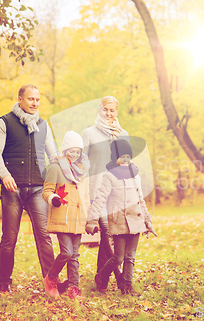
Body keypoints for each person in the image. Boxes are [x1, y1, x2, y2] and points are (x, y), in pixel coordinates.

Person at [0, 84, 56, 293]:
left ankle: (51, 282)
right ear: (20, 99)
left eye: (37, 99)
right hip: (13, 190)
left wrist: (61, 175)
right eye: (30, 99)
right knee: (9, 238)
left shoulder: (43, 125)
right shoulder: (5, 122)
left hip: (38, 188)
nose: (35, 103)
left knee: (44, 237)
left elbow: (53, 156)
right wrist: (5, 174)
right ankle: (4, 283)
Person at [85, 140, 157, 295]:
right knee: (118, 258)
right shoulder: (110, 176)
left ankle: (127, 287)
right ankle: (101, 276)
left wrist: (147, 219)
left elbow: (141, 200)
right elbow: (100, 199)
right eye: (122, 157)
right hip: (118, 223)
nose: (125, 160)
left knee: (130, 257)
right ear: (115, 157)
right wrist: (92, 220)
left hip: (135, 222)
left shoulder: (135, 177)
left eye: (128, 156)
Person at [81, 96, 129, 289]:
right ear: (99, 110)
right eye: (105, 109)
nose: (108, 113)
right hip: (96, 191)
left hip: (117, 193)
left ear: (116, 111)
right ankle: (120, 279)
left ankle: (101, 279)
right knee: (108, 233)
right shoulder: (89, 133)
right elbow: (81, 164)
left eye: (112, 110)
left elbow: (126, 163)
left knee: (110, 238)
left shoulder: (123, 133)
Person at [42, 131, 90, 300]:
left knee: (75, 256)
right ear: (64, 151)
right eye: (71, 151)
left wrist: (90, 218)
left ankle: (73, 289)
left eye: (78, 151)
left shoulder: (83, 171)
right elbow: (46, 191)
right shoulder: (55, 168)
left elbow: (86, 196)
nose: (75, 154)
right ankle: (51, 278)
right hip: (63, 217)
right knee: (67, 252)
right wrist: (53, 198)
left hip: (78, 219)